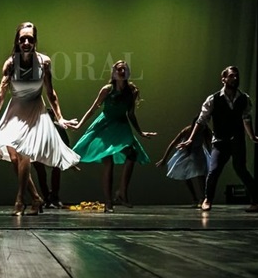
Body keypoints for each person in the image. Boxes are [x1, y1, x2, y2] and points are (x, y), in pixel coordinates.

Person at [0, 21, 80, 216]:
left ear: (35, 41)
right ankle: (36, 198)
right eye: (23, 39)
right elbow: (0, 95)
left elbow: (51, 92)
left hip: (35, 112)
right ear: (17, 41)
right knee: (14, 157)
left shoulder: (44, 62)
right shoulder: (11, 63)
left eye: (30, 39)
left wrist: (60, 118)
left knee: (24, 154)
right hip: (15, 110)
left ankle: (20, 200)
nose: (26, 42)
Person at [69, 60, 156, 213]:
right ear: (114, 73)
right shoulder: (107, 90)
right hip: (105, 126)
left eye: (124, 69)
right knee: (108, 162)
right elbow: (93, 109)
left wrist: (141, 132)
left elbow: (131, 114)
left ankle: (122, 192)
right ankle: (108, 202)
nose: (122, 72)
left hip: (121, 126)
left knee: (132, 154)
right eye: (119, 69)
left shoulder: (132, 91)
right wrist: (79, 125)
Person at [178, 65, 258, 213]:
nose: (235, 78)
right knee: (214, 170)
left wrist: (252, 136)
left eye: (236, 76)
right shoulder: (213, 99)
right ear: (223, 79)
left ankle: (256, 202)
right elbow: (201, 120)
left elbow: (246, 118)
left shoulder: (244, 98)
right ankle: (207, 199)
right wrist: (191, 139)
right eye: (231, 76)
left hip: (237, 140)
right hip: (220, 141)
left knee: (241, 169)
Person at [155, 118, 212, 208]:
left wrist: (212, 156)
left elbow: (210, 144)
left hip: (198, 153)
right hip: (185, 152)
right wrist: (164, 159)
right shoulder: (187, 130)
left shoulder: (206, 132)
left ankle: (203, 198)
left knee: (201, 175)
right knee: (185, 175)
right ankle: (194, 198)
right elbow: (173, 143)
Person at [32, 107, 69, 209]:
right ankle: (47, 197)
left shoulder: (58, 128)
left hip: (53, 152)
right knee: (41, 172)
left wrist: (68, 158)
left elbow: (66, 143)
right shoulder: (36, 128)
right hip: (38, 152)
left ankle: (54, 196)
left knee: (55, 170)